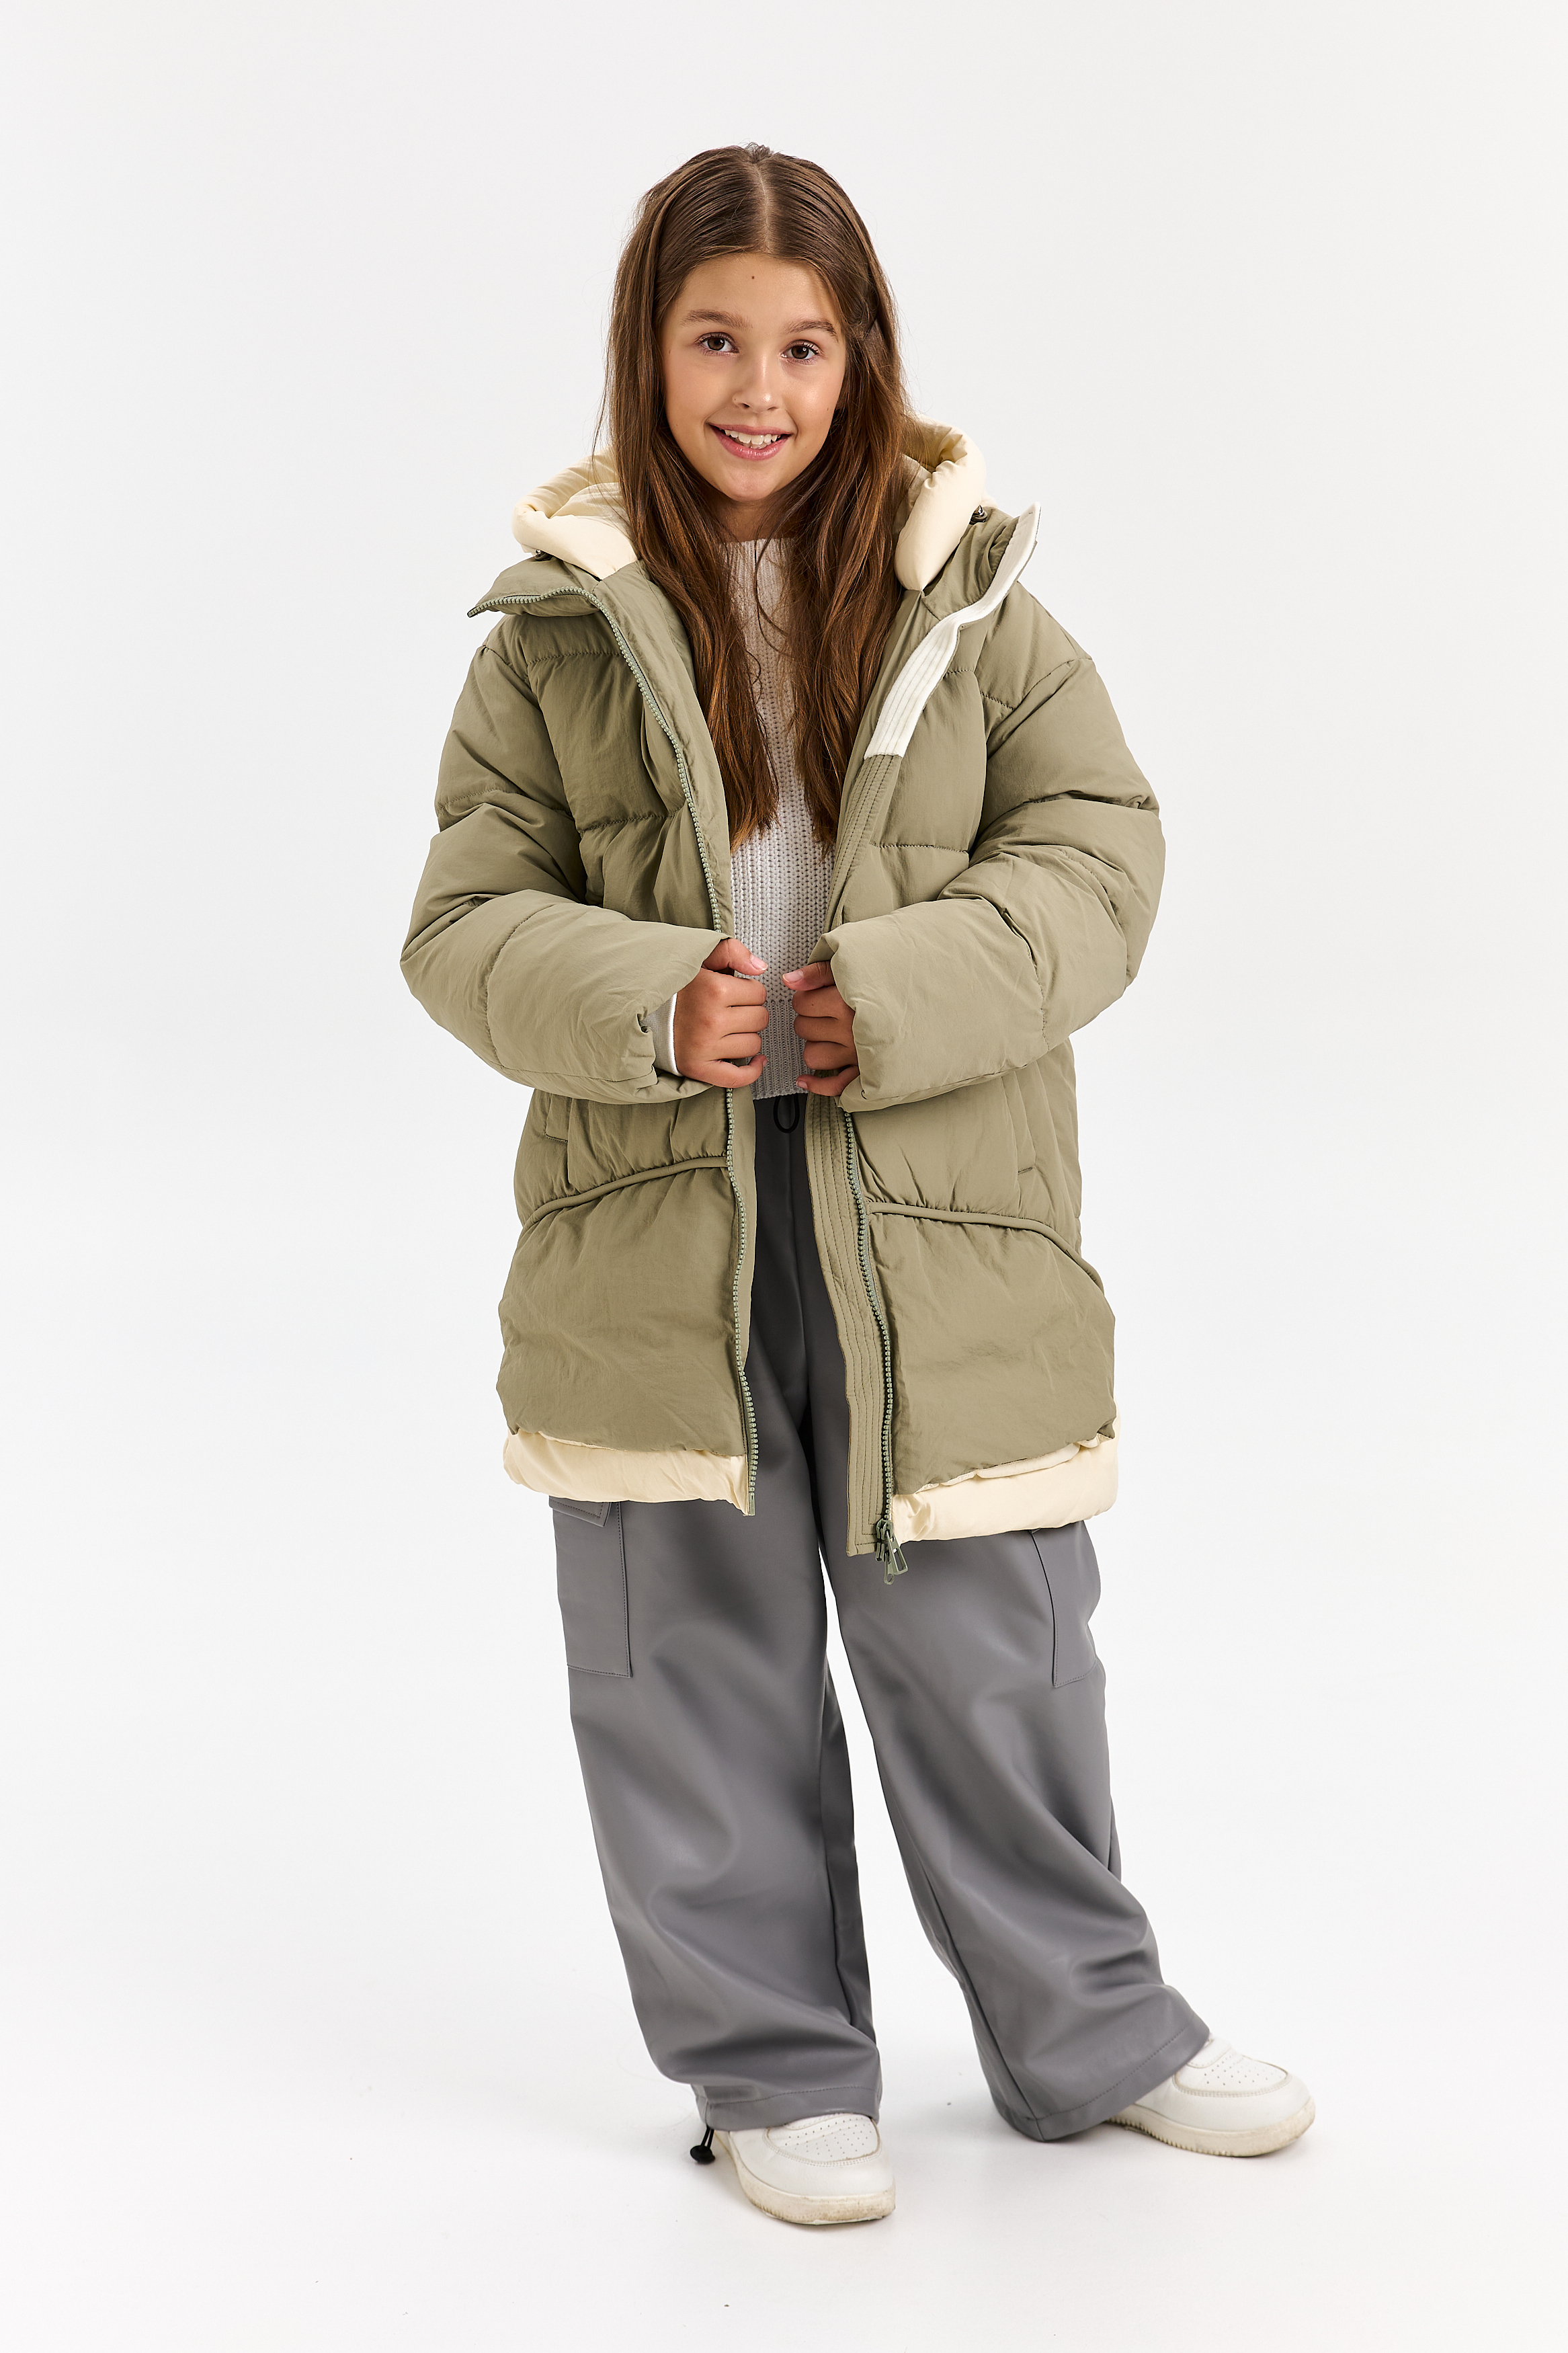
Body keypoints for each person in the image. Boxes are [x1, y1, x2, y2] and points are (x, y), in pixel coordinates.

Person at [401, 142, 1312, 2228]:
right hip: (657, 1228)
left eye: (804, 346)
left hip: (939, 1216)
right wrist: (654, 1002)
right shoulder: (550, 640)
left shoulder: (973, 602)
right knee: (687, 1657)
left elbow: (1099, 858)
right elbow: (462, 921)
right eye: (715, 339)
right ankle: (771, 2067)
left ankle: (1093, 2028)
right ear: (648, 351)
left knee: (996, 1645)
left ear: (863, 355)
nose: (760, 388)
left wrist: (881, 1000)